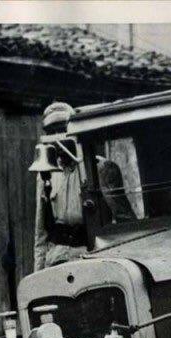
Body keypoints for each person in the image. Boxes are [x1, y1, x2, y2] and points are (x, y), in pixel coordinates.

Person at [33, 102, 135, 271]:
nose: (57, 137)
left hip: (90, 259)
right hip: (56, 261)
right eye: (51, 132)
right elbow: (40, 232)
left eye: (62, 130)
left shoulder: (100, 169)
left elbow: (125, 222)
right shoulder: (46, 173)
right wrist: (38, 272)